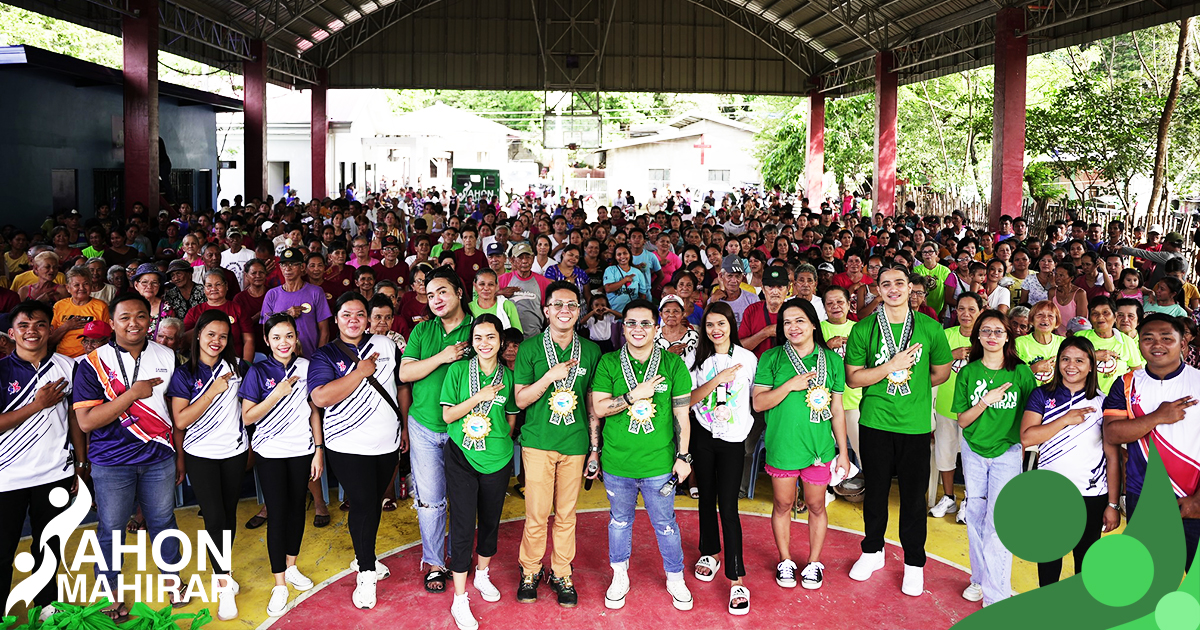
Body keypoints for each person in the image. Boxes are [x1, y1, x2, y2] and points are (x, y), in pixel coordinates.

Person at [73, 293, 185, 620]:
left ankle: (173, 578)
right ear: (112, 322)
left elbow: (174, 411)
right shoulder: (92, 364)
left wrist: (179, 456)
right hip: (111, 462)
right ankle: (109, 591)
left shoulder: (168, 355)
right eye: (125, 317)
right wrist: (132, 394)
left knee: (163, 521)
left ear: (150, 319)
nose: (133, 323)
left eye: (140, 316)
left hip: (159, 457)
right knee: (111, 528)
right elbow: (87, 421)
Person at [845, 264, 952, 597]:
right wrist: (890, 368)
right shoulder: (864, 328)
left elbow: (943, 370)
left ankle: (914, 563)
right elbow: (853, 378)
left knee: (913, 498)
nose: (893, 289)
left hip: (915, 425)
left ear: (910, 288)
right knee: (875, 491)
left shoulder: (930, 328)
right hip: (875, 421)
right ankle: (872, 551)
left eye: (900, 283)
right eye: (886, 283)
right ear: (877, 289)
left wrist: (914, 382)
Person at [590, 298, 694, 612]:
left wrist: (684, 456)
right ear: (623, 328)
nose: (638, 329)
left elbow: (682, 416)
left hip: (659, 463)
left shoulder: (673, 364)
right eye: (632, 323)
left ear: (657, 327)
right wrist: (633, 395)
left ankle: (675, 577)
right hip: (617, 463)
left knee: (666, 524)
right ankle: (619, 575)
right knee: (619, 522)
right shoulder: (609, 363)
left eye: (645, 323)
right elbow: (598, 408)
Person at [308, 292, 404, 609]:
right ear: (335, 319)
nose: (354, 320)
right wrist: (359, 373)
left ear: (368, 318)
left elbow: (400, 387)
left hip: (387, 442)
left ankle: (365, 556)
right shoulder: (324, 355)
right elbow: (321, 397)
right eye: (346, 314)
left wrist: (403, 425)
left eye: (360, 314)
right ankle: (365, 572)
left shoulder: (386, 346)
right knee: (362, 503)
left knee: (372, 504)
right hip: (347, 445)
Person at [512, 280, 601, 607]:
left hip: (576, 444)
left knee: (567, 514)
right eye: (558, 305)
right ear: (546, 310)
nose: (565, 311)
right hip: (537, 442)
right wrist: (549, 377)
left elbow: (592, 404)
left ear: (578, 312)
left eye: (572, 306)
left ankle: (562, 571)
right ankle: (530, 569)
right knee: (536, 513)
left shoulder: (590, 351)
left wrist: (594, 448)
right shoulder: (530, 348)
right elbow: (520, 400)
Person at [753, 297, 850, 592]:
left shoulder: (832, 360)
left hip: (819, 449)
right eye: (786, 323)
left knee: (816, 505)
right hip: (783, 445)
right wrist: (788, 386)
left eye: (799, 321)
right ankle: (784, 559)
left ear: (812, 323)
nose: (793, 327)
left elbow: (837, 409)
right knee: (782, 504)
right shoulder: (771, 359)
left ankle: (814, 562)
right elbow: (758, 403)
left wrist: (843, 452)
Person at [0, 300, 83, 621]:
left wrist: (80, 463)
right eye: (23, 326)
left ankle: (48, 604)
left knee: (49, 546)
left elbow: (76, 419)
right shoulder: (3, 369)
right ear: (11, 333)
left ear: (50, 330)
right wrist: (37, 405)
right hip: (7, 477)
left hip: (55, 473)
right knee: (3, 550)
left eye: (39, 325)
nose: (31, 331)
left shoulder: (68, 366)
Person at [166, 309, 248, 621]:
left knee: (228, 516)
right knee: (214, 518)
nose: (216, 340)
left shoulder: (236, 367)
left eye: (223, 336)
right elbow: (181, 419)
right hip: (201, 455)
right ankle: (223, 584)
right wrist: (212, 392)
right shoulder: (185, 374)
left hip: (234, 452)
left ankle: (222, 572)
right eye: (211, 334)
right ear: (198, 335)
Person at [240, 314, 324, 616]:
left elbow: (314, 412)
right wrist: (275, 394)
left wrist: (318, 449)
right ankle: (279, 584)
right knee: (277, 515)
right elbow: (247, 416)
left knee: (296, 510)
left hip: (302, 451)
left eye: (289, 336)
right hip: (270, 453)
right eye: (276, 337)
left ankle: (291, 567)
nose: (283, 343)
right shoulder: (258, 371)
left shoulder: (307, 367)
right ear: (267, 340)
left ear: (296, 338)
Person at [951, 309, 1037, 605]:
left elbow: (1032, 416)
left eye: (998, 331)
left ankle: (996, 592)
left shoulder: (1021, 372)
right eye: (986, 331)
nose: (992, 336)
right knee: (975, 516)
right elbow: (962, 420)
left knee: (999, 521)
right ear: (977, 336)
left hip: (1008, 453)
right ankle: (978, 579)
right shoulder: (969, 371)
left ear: (1008, 336)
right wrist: (986, 401)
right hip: (974, 451)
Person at [439, 314, 520, 630]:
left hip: (497, 459)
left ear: (500, 342)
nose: (484, 343)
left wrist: (501, 439)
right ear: (471, 342)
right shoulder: (458, 371)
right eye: (478, 338)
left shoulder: (509, 376)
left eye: (490, 337)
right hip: (461, 456)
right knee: (461, 524)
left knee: (489, 520)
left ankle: (483, 575)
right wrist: (479, 397)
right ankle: (460, 598)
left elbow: (512, 416)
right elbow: (448, 416)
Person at [1020, 337, 1121, 586]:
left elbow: (1112, 457)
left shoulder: (1104, 402)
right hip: (1050, 492)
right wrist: (1065, 419)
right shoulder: (1042, 395)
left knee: (1085, 564)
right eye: (1065, 359)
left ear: (1091, 365)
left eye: (1079, 360)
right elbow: (1027, 437)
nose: (1071, 365)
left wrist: (1113, 504)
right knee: (1048, 561)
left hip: (1092, 495)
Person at [1103, 313, 1200, 568]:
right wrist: (1158, 416)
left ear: (1183, 344)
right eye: (1148, 338)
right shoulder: (1125, 384)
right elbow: (1112, 433)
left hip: (1192, 499)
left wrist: (1198, 500)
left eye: (1166, 338)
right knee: (1149, 573)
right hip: (1143, 496)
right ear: (1138, 344)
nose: (1157, 344)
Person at [399, 267, 473, 595]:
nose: (436, 300)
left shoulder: (478, 328)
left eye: (442, 291)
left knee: (463, 498)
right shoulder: (423, 331)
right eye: (430, 295)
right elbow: (406, 372)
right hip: (425, 426)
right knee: (430, 500)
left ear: (459, 292)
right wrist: (443, 356)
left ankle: (459, 556)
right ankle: (434, 562)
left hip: (466, 427)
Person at [689, 302, 756, 613]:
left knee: (729, 507)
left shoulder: (747, 359)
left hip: (732, 439)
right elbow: (689, 399)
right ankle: (709, 552)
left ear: (731, 324)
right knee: (705, 498)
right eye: (710, 324)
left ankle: (736, 578)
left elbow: (754, 398)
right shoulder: (696, 358)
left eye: (721, 323)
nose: (716, 330)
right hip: (703, 435)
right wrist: (717, 379)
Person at [929, 292, 983, 519]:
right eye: (961, 309)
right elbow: (929, 364)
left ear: (980, 311)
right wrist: (952, 355)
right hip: (945, 405)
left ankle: (970, 499)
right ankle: (949, 498)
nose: (966, 314)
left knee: (972, 456)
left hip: (975, 410)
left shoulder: (985, 336)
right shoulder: (945, 335)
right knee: (945, 453)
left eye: (972, 309)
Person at [262, 248, 332, 358]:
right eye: (284, 265)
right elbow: (266, 329)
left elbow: (324, 331)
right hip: (281, 360)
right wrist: (286, 315)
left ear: (302, 267)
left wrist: (319, 359)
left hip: (311, 357)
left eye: (292, 264)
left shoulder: (316, 292)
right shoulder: (272, 294)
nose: (287, 268)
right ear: (280, 268)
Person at [1075, 296, 1143, 396]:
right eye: (1095, 313)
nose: (1100, 317)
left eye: (1105, 312)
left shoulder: (1126, 341)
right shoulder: (1080, 337)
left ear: (1115, 316)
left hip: (1116, 398)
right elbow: (1066, 364)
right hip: (1084, 396)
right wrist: (1093, 356)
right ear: (1089, 318)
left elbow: (1137, 373)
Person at [183, 271, 254, 363]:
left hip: (234, 362)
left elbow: (249, 339)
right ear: (204, 289)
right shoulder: (195, 312)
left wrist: (245, 366)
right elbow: (184, 341)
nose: (214, 289)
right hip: (202, 364)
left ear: (226, 286)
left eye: (218, 284)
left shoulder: (237, 309)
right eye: (209, 286)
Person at [50, 267, 110, 358]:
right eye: (76, 285)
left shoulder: (101, 307)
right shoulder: (59, 306)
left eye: (86, 284)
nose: (81, 288)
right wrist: (67, 326)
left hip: (91, 357)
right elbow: (50, 340)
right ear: (68, 288)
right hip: (62, 357)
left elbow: (107, 338)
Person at [498, 242, 552, 338]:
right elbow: (486, 299)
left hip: (534, 336)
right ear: (512, 260)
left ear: (533, 259)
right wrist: (500, 293)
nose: (524, 261)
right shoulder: (503, 280)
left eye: (528, 257)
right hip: (508, 338)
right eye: (520, 257)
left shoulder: (543, 282)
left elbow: (549, 312)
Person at [468, 268, 522, 333]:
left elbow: (517, 334)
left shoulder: (506, 305)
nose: (486, 288)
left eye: (491, 284)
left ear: (497, 286)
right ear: (475, 286)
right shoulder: (469, 308)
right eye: (482, 284)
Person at [711, 256, 760, 325]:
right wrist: (712, 303)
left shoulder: (752, 299)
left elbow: (758, 326)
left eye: (738, 276)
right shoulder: (714, 299)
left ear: (742, 277)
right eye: (730, 276)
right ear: (721, 276)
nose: (734, 281)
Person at [603, 244, 647, 313]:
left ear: (629, 254)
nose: (622, 256)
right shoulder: (610, 270)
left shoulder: (637, 272)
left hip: (632, 313)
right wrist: (625, 280)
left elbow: (642, 294)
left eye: (625, 253)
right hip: (614, 313)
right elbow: (608, 289)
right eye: (619, 254)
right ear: (615, 257)